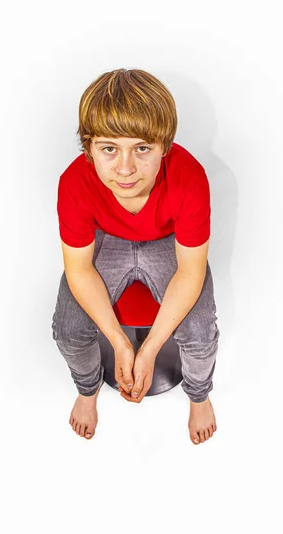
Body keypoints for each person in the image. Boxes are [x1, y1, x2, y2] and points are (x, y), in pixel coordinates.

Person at [52, 68, 220, 445]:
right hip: (106, 240)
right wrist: (121, 342)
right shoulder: (74, 182)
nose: (125, 169)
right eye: (109, 149)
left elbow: (190, 272)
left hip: (166, 241)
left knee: (199, 335)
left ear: (165, 146)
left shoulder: (189, 177)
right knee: (68, 331)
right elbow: (79, 268)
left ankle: (200, 396)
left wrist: (150, 351)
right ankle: (87, 390)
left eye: (142, 148)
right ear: (89, 147)